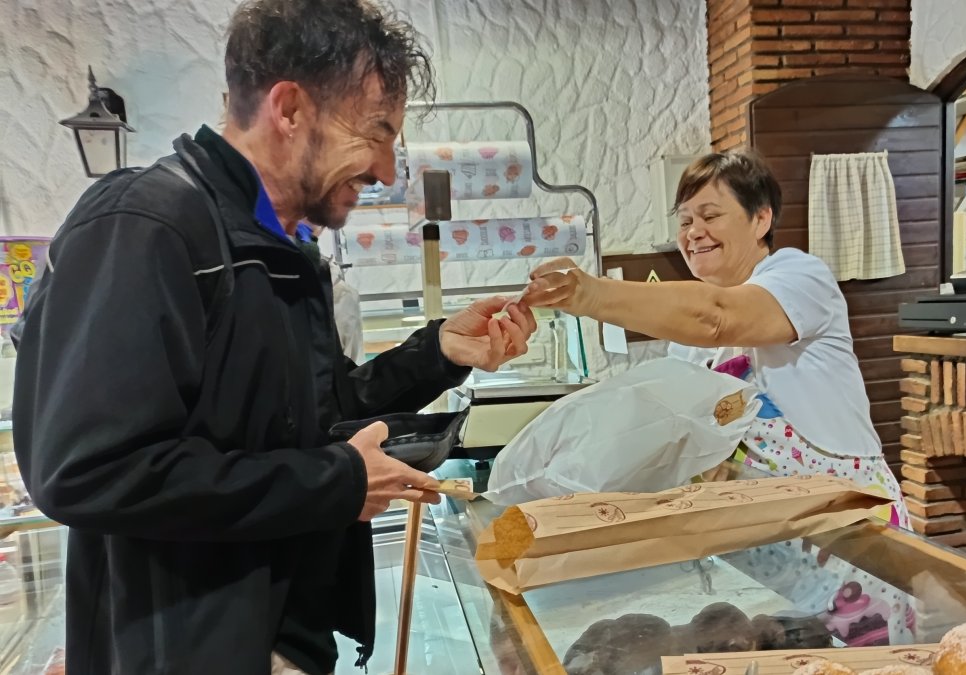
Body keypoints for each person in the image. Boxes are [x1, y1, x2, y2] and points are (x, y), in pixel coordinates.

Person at [12, 1, 536, 674]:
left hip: (282, 635)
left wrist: (438, 352)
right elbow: (87, 469)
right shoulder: (148, 226)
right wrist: (335, 481)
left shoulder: (278, 245)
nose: (384, 170)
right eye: (376, 132)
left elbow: (307, 413)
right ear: (289, 109)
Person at [524, 150, 907, 527]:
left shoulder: (800, 276)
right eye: (685, 220)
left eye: (710, 215)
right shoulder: (688, 341)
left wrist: (592, 295)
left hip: (847, 516)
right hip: (767, 531)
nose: (693, 232)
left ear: (761, 219)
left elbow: (718, 318)